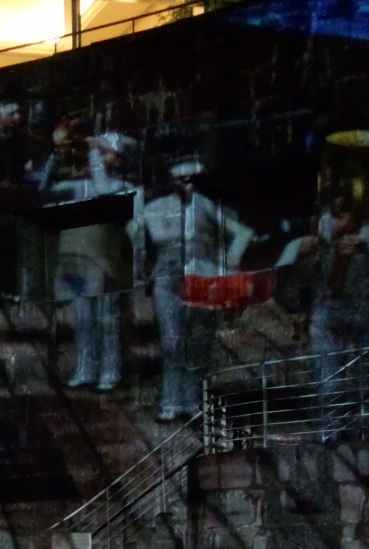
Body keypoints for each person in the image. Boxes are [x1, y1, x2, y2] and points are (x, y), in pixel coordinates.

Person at [140, 160, 254, 421]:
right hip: (167, 279)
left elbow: (242, 233)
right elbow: (149, 238)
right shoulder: (155, 208)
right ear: (171, 181)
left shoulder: (206, 205)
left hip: (202, 279)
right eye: (181, 180)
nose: (186, 185)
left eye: (192, 179)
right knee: (171, 342)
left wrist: (229, 264)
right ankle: (170, 401)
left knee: (199, 342)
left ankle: (193, 401)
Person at [54, 132, 141, 394]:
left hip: (109, 261)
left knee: (108, 320)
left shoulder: (127, 188)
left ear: (120, 159)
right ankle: (85, 369)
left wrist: (92, 153)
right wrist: (56, 154)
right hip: (80, 258)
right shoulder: (81, 185)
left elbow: (104, 193)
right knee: (82, 320)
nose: (100, 157)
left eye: (106, 152)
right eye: (99, 152)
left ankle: (110, 372)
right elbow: (46, 189)